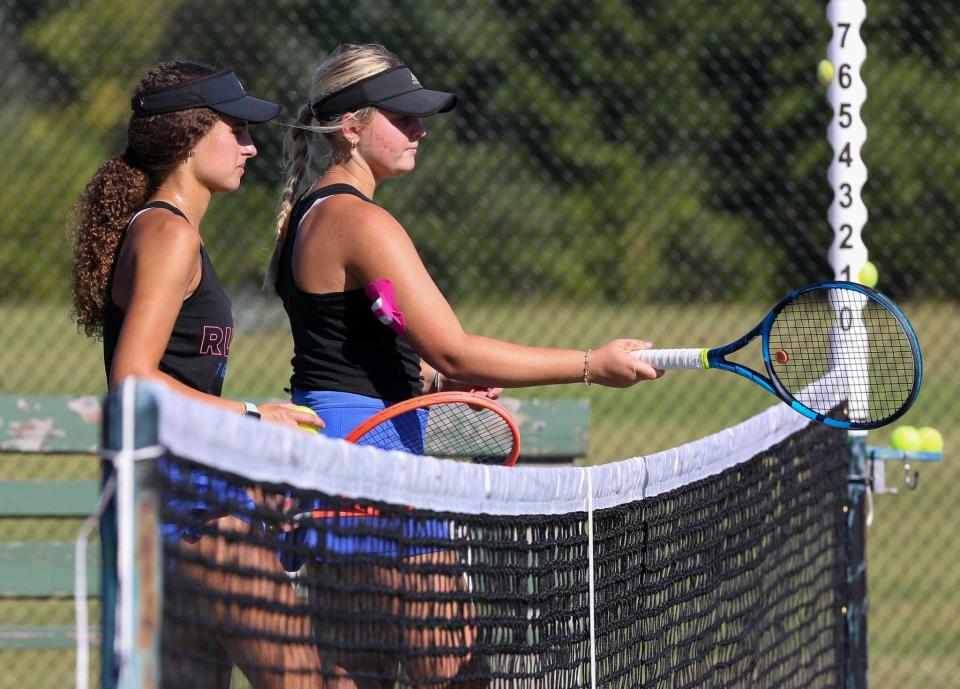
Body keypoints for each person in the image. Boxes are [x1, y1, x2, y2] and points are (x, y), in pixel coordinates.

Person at [268, 43, 663, 688]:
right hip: (373, 460)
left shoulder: (315, 211)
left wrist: (428, 382)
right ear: (352, 125)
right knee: (455, 668)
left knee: (355, 669)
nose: (420, 129)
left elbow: (348, 347)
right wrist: (593, 363)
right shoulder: (359, 221)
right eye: (402, 116)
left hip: (333, 453)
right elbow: (451, 345)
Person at [70, 60, 326, 689]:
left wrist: (246, 436)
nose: (251, 145)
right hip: (191, 511)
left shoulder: (167, 230)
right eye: (236, 130)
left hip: (177, 505)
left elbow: (175, 379)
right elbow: (133, 381)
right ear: (190, 136)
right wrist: (249, 416)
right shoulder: (167, 234)